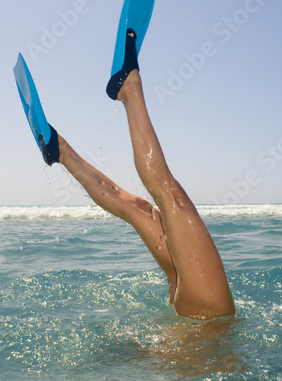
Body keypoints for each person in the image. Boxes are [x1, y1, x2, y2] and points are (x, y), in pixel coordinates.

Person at [39, 30, 236, 320]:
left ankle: (130, 89)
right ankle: (61, 152)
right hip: (193, 330)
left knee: (170, 196)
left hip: (210, 315)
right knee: (137, 209)